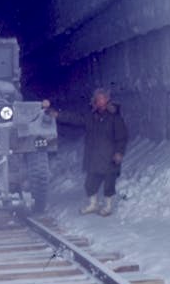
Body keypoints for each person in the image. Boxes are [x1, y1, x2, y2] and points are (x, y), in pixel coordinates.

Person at [46, 88, 127, 216]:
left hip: (110, 156)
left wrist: (119, 152)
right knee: (90, 183)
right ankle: (93, 204)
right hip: (94, 156)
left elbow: (122, 137)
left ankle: (108, 206)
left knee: (109, 183)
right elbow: (75, 118)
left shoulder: (115, 117)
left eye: (103, 98)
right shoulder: (91, 116)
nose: (100, 101)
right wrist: (57, 115)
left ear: (107, 99)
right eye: (98, 99)